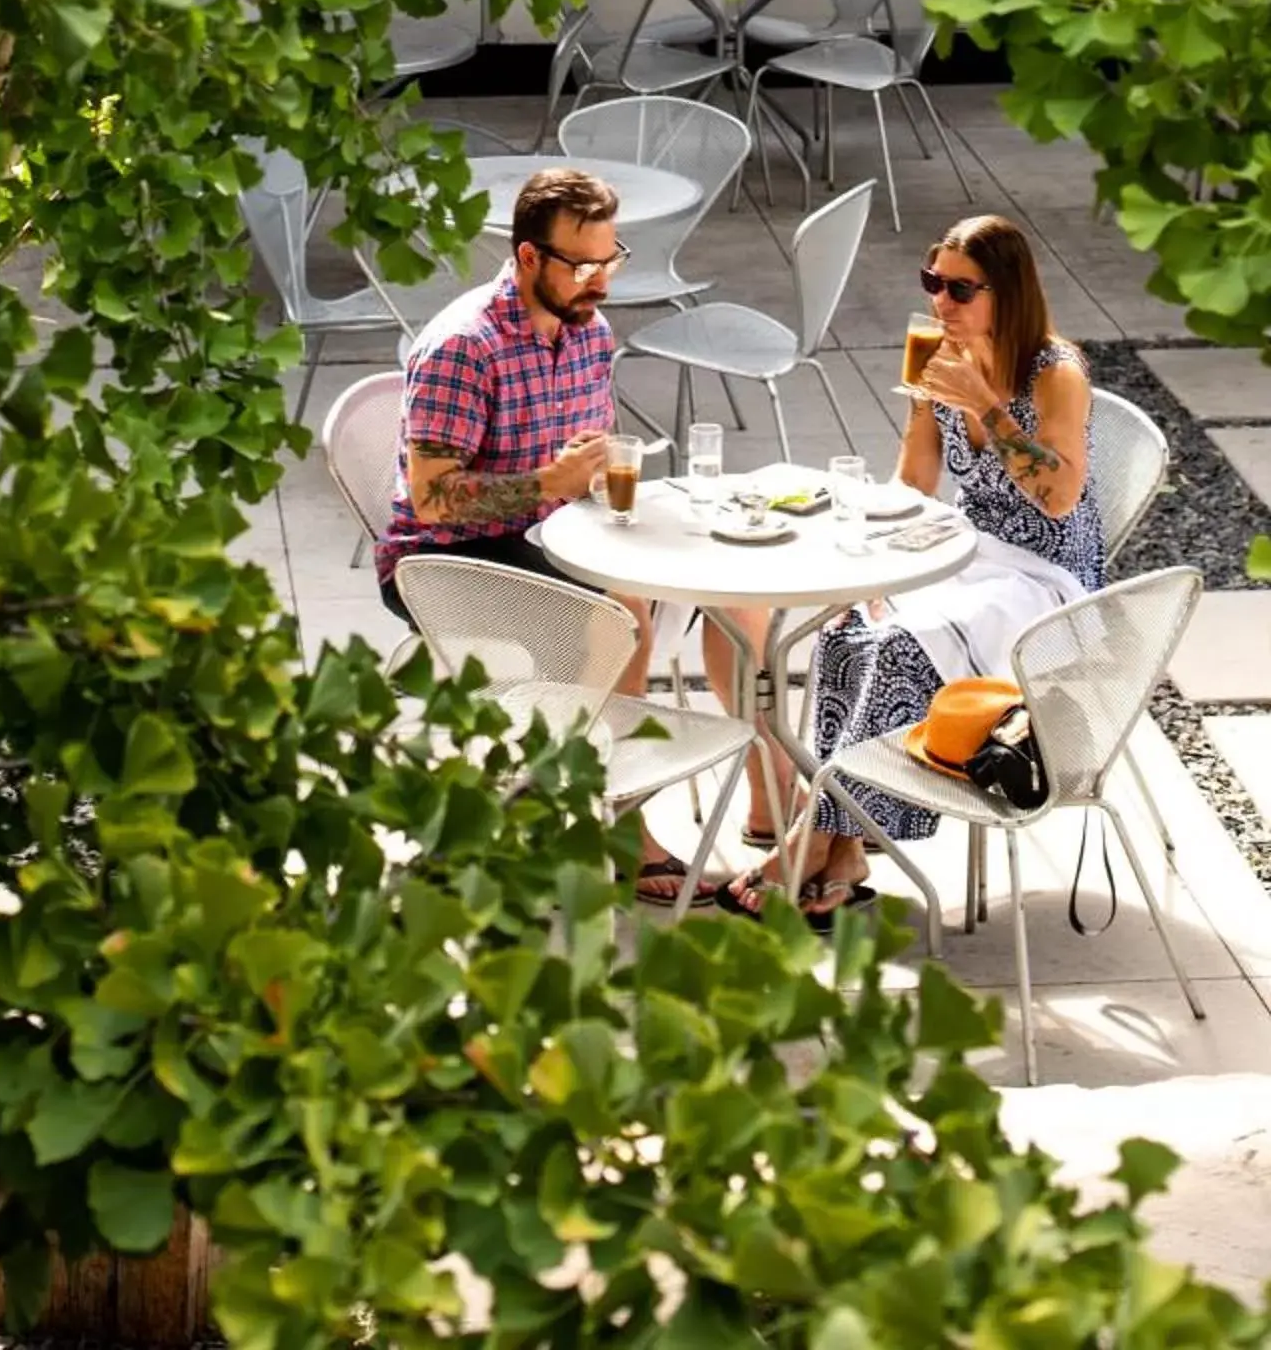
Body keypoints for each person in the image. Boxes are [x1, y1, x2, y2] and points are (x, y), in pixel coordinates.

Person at [725, 211, 1104, 928]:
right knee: (845, 629)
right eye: (933, 283)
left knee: (901, 650)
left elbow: (1058, 499)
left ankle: (811, 841)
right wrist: (873, 571)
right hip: (966, 555)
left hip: (1045, 580)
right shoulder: (939, 358)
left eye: (961, 290)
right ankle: (844, 853)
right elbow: (911, 487)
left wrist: (986, 407)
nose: (941, 303)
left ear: (1009, 294)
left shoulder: (1056, 373)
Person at [374, 165, 706, 907]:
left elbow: (581, 457)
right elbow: (430, 501)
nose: (602, 283)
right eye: (584, 266)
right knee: (616, 618)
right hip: (444, 560)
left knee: (681, 588)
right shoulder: (466, 346)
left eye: (610, 260)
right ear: (529, 258)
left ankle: (545, 801)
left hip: (547, 538)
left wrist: (593, 482)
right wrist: (548, 486)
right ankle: (606, 822)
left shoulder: (590, 332)